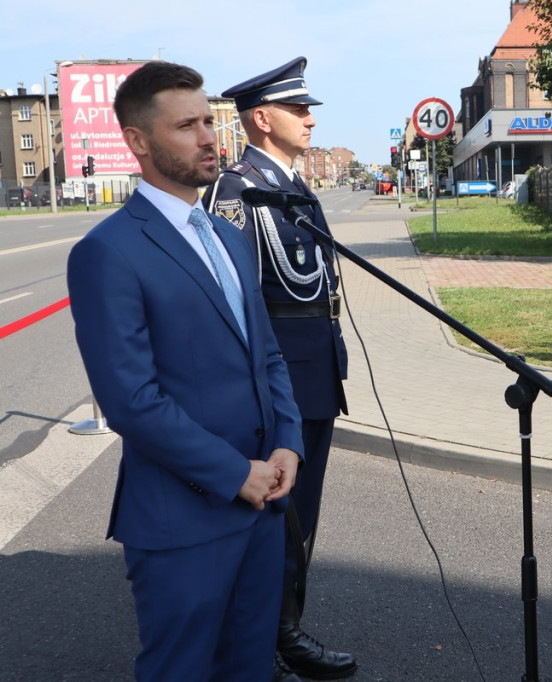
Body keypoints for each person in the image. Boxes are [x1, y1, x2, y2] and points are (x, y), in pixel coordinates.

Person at [66, 61, 304, 681]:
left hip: (262, 507)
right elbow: (131, 400)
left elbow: (267, 355)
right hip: (184, 521)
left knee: (250, 667)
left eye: (208, 122)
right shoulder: (107, 252)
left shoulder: (228, 237)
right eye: (186, 126)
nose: (208, 138)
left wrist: (288, 442)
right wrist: (235, 474)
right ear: (139, 141)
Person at [203, 57, 356, 682]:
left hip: (315, 376)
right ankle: (255, 645)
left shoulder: (293, 186)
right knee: (270, 518)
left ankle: (284, 630)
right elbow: (230, 303)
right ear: (262, 119)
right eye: (298, 109)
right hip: (275, 386)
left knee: (300, 519)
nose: (310, 119)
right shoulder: (237, 192)